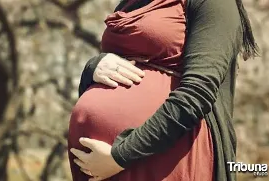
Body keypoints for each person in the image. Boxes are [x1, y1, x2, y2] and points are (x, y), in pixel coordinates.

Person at [68, 0, 258, 181]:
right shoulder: (131, 3)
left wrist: (121, 156)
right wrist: (93, 67)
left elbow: (198, 92)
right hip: (104, 163)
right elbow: (120, 65)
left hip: (162, 155)